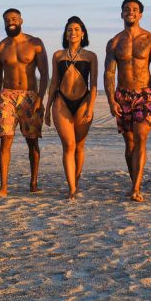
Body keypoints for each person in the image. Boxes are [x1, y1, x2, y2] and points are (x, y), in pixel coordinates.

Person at [104, 0, 151, 202]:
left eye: (135, 10)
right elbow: (109, 73)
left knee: (140, 138)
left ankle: (136, 188)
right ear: (121, 14)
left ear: (140, 15)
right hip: (123, 95)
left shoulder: (150, 40)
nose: (131, 12)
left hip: (144, 94)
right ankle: (134, 182)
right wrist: (112, 101)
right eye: (127, 9)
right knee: (129, 143)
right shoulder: (114, 42)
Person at [0, 9, 48, 197]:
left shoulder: (35, 43)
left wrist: (40, 97)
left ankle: (33, 183)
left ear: (21, 20)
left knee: (32, 142)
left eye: (14, 19)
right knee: (5, 140)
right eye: (7, 20)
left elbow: (44, 73)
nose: (10, 22)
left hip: (29, 96)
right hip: (7, 95)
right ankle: (3, 187)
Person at [44, 16, 98, 199]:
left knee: (79, 146)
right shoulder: (58, 55)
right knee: (69, 145)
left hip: (83, 101)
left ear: (82, 33)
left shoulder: (91, 56)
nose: (72, 33)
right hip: (62, 101)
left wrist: (90, 108)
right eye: (69, 30)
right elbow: (53, 84)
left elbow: (95, 85)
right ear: (65, 34)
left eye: (76, 30)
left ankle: (75, 179)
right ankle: (72, 188)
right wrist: (47, 109)